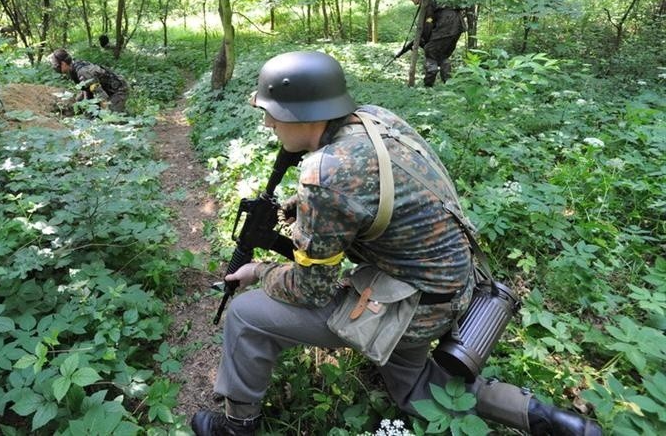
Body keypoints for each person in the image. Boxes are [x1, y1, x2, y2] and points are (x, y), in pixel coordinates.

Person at [191, 51, 602, 436]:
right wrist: (308, 207)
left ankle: (236, 426)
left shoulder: (327, 171)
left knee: (246, 315)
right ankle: (548, 419)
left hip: (412, 307)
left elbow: (311, 290)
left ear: (301, 115)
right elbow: (381, 188)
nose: (268, 125)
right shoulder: (374, 120)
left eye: (273, 115)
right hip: (454, 286)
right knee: (419, 393)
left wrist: (259, 271)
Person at [395, 0, 465, 87]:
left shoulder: (428, 2)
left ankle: (428, 85)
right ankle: (449, 84)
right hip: (458, 27)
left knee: (430, 50)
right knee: (442, 55)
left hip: (446, 27)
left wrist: (425, 40)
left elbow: (428, 23)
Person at [50, 48, 128, 113]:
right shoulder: (73, 69)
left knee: (113, 118)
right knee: (87, 111)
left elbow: (100, 95)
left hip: (117, 90)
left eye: (56, 65)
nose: (56, 68)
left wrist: (106, 114)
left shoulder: (82, 72)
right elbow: (86, 89)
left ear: (63, 63)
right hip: (105, 89)